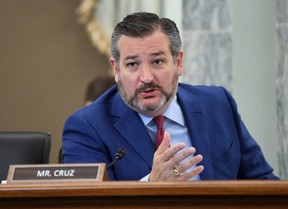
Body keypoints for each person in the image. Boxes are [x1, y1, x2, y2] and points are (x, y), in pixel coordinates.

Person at [62, 12, 279, 181]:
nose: (146, 77)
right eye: (132, 64)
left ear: (178, 63)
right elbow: (86, 206)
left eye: (157, 62)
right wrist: (150, 185)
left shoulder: (217, 104)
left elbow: (261, 182)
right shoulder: (87, 127)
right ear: (116, 70)